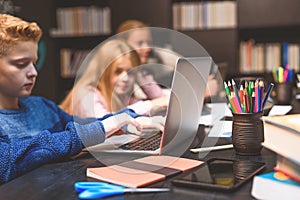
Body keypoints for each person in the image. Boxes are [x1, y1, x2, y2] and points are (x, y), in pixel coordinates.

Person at [0, 14, 164, 184]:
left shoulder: (41, 106)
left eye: (34, 63)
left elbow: (84, 126)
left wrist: (128, 119)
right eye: (21, 64)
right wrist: (97, 130)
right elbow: (8, 162)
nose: (33, 72)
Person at [59, 38, 169, 118]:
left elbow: (162, 101)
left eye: (130, 72)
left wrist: (141, 76)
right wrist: (150, 105)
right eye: (118, 71)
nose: (125, 78)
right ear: (102, 71)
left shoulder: (121, 96)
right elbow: (104, 124)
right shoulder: (87, 95)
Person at [116, 19, 219, 99]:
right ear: (123, 45)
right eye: (140, 43)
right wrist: (198, 92)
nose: (147, 48)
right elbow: (150, 102)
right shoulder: (125, 76)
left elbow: (180, 61)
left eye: (149, 42)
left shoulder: (142, 73)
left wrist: (155, 51)